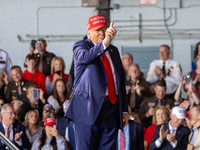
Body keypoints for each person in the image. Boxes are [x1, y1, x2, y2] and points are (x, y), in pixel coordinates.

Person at [65, 14, 128, 150]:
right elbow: (86, 57)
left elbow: (121, 82)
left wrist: (123, 109)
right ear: (88, 33)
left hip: (111, 109)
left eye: (104, 29)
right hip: (87, 109)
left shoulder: (114, 51)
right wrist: (104, 43)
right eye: (97, 30)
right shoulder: (81, 46)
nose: (102, 33)